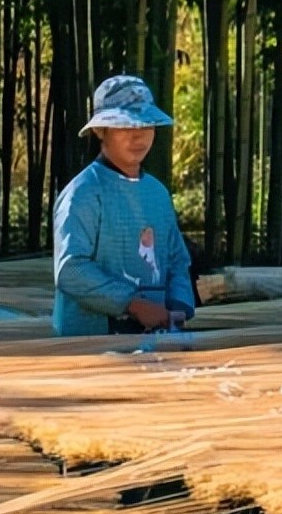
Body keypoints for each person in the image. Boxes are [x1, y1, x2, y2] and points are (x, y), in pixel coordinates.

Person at [52, 75, 195, 336]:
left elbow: (176, 259)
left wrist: (178, 306)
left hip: (155, 341)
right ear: (100, 131)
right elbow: (71, 269)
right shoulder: (83, 192)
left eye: (146, 125)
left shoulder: (157, 193)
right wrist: (132, 304)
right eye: (125, 126)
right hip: (90, 347)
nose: (138, 136)